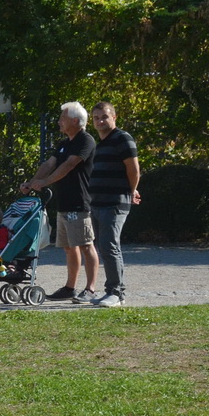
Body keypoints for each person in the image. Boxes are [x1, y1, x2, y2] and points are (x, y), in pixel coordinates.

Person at [19, 102, 98, 301]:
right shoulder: (64, 143)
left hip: (79, 202)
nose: (59, 121)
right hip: (63, 203)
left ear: (75, 121)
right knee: (69, 247)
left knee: (85, 245)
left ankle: (90, 289)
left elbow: (69, 165)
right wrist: (32, 183)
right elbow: (49, 164)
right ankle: (70, 288)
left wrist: (45, 182)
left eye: (63, 118)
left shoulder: (86, 140)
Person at [89, 100, 139, 308]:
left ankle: (117, 293)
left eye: (104, 117)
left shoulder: (122, 138)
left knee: (110, 246)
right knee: (103, 246)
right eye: (96, 118)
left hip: (115, 202)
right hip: (97, 203)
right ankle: (110, 290)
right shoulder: (100, 144)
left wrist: (131, 190)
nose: (100, 121)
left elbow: (133, 169)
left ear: (114, 117)